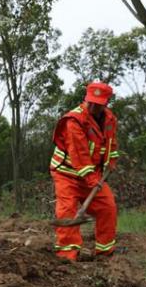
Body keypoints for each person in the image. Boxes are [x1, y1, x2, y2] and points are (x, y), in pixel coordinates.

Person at [49, 82, 120, 261]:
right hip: (67, 173)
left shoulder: (110, 119)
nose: (94, 106)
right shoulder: (74, 120)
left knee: (108, 207)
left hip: (92, 176)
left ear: (106, 103)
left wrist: (111, 160)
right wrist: (91, 178)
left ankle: (105, 253)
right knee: (67, 211)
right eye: (91, 101)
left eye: (99, 103)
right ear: (86, 99)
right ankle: (67, 255)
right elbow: (79, 154)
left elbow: (111, 144)